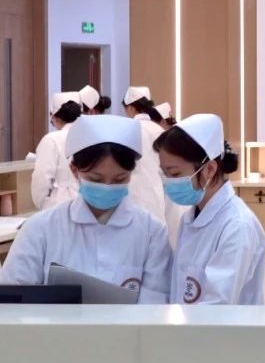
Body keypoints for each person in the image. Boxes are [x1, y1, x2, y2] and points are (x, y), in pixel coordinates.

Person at [0, 115, 171, 303]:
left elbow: (155, 303)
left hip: (132, 324)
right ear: (74, 170)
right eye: (96, 179)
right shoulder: (40, 228)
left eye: (119, 179)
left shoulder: (152, 232)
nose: (107, 187)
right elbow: (12, 297)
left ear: (131, 173)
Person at [156, 113, 265, 305]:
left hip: (220, 324)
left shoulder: (237, 226)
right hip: (190, 322)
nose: (168, 182)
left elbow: (217, 306)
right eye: (164, 174)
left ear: (209, 169)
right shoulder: (190, 218)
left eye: (175, 174)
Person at [121, 85, 166, 225]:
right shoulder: (159, 130)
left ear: (130, 108)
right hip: (156, 194)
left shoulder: (126, 129)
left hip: (132, 194)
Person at [31, 93, 82, 210]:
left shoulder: (52, 139)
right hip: (88, 204)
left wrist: (42, 203)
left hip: (60, 204)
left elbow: (41, 177)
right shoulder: (90, 136)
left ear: (56, 117)